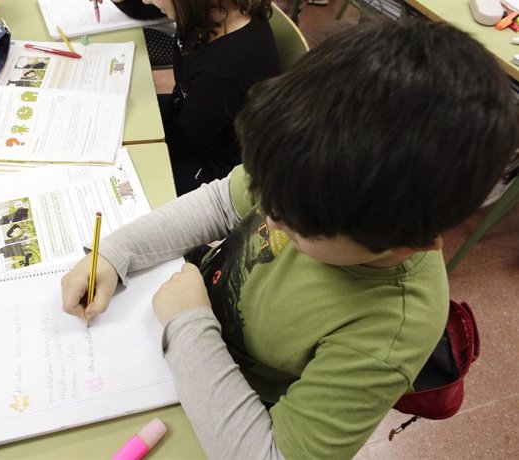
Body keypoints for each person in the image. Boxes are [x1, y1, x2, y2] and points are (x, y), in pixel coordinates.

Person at [61, 21, 519, 458]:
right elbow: (222, 201)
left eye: (299, 229)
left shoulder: (387, 336)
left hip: (225, 404)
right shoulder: (309, 170)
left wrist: (189, 324)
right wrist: (117, 253)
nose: (271, 218)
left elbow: (271, 452)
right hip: (181, 324)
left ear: (408, 245)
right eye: (268, 196)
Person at [107, 0, 280, 195]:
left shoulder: (226, 66)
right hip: (186, 119)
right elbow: (142, 9)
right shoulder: (203, 8)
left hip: (213, 171)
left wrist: (138, 140)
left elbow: (184, 143)